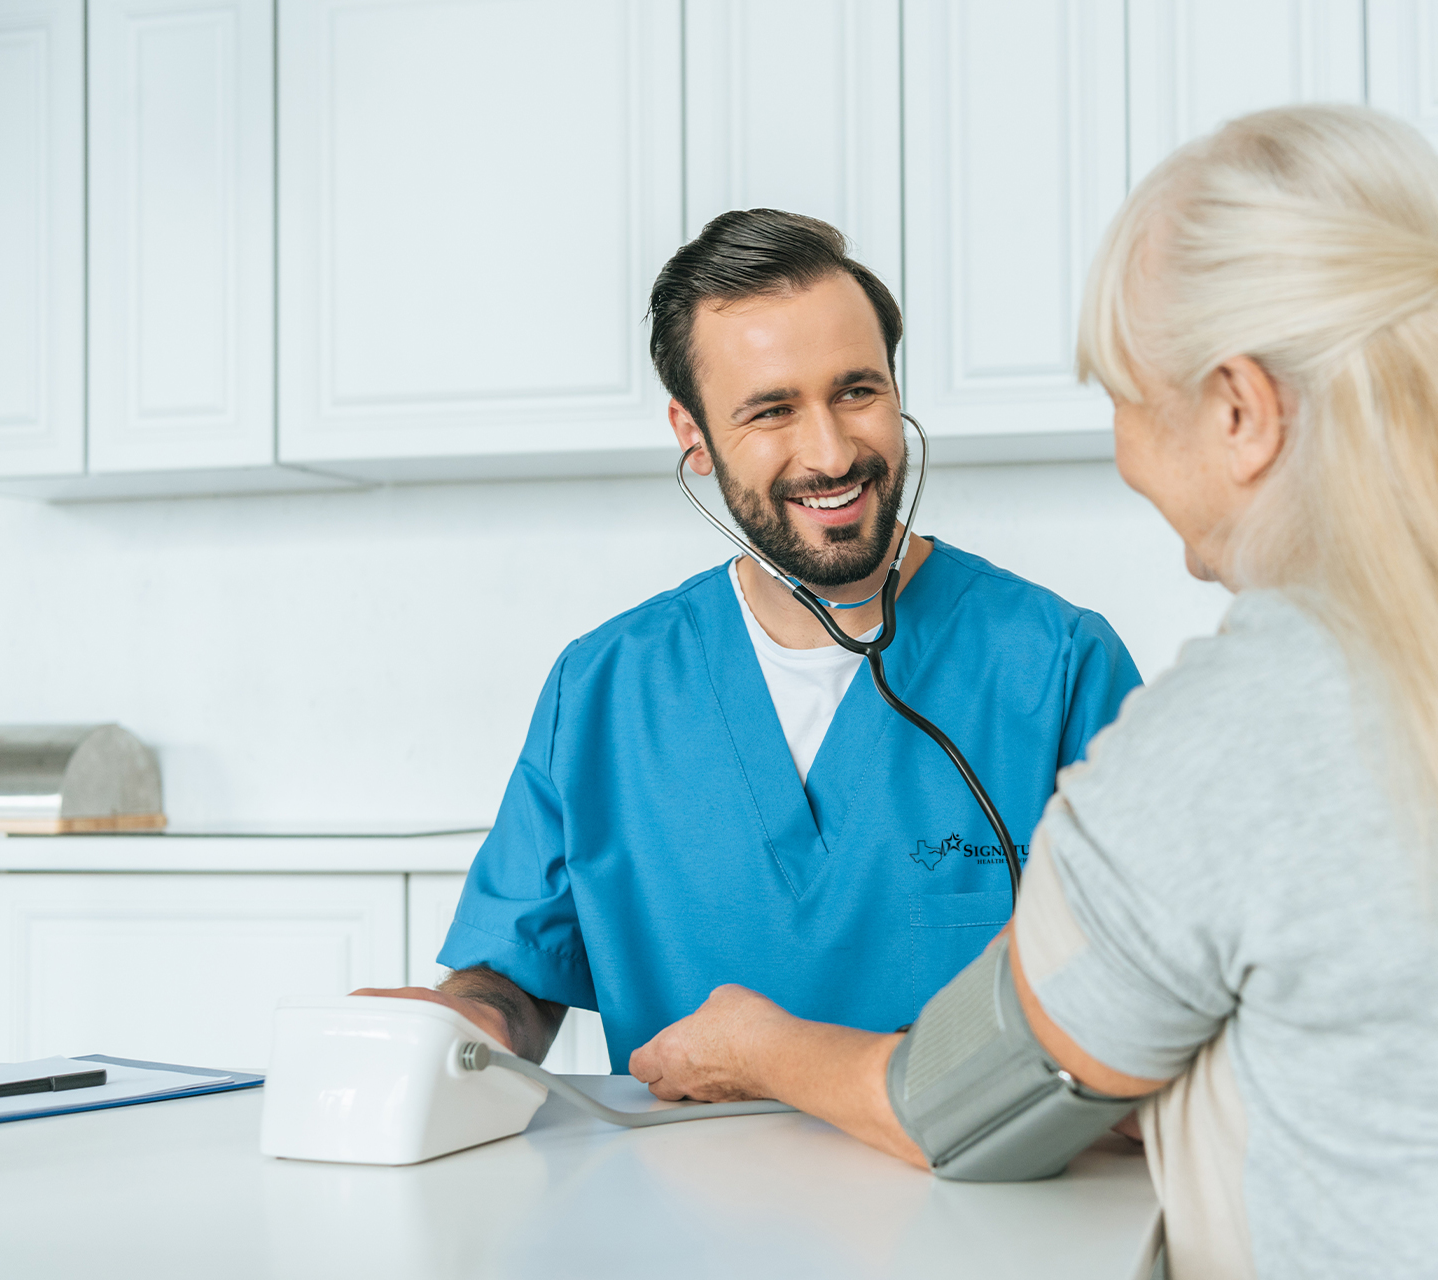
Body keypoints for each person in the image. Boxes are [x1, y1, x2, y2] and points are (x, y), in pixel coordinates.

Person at [623, 107, 1438, 1278]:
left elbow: (966, 1104)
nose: (1124, 444)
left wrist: (751, 1041)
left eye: (1122, 393)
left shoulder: (1244, 726)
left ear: (1239, 410)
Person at [356, 210, 1142, 1068]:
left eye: (858, 391)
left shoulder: (1059, 665)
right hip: (680, 1197)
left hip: (973, 1190)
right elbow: (514, 982)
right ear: (693, 437)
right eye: (771, 410)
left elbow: (1141, 984)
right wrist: (460, 1027)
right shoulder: (604, 689)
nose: (832, 451)